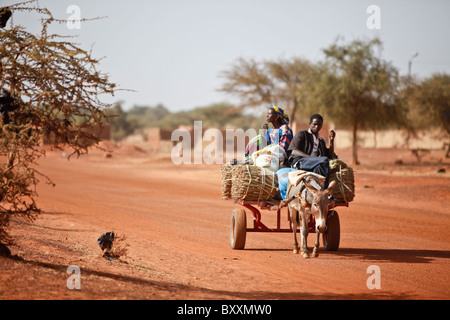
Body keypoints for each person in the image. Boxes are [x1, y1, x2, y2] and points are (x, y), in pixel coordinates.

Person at [287, 113, 336, 187]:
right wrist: (310, 158)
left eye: (319, 125)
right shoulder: (302, 134)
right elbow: (294, 151)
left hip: (313, 164)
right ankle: (326, 191)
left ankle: (318, 191)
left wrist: (331, 141)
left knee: (320, 165)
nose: (317, 127)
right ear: (309, 124)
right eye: (314, 124)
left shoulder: (320, 140)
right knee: (323, 160)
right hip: (300, 162)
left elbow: (330, 156)